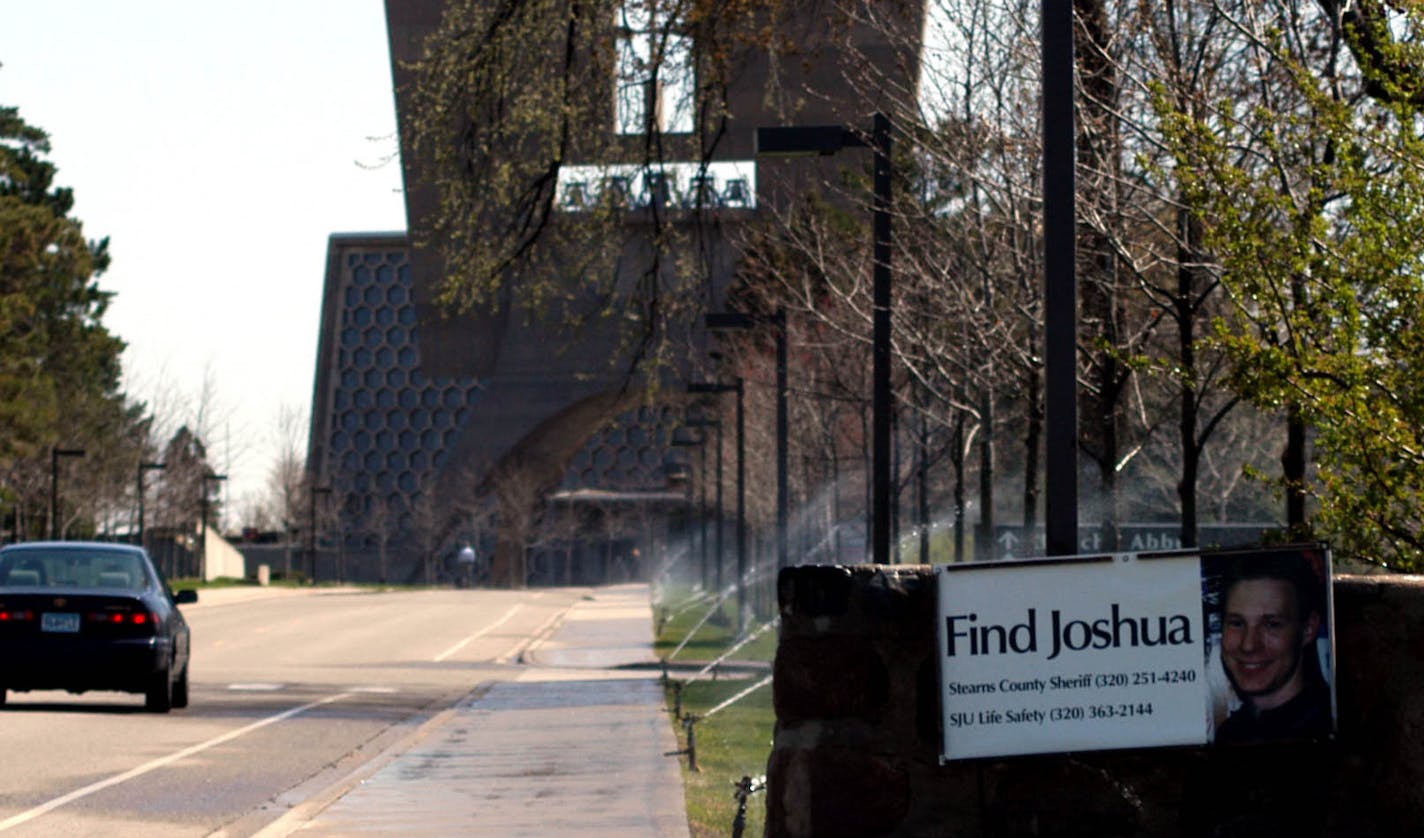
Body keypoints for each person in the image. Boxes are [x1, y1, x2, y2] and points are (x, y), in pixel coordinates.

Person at [1213, 554, 1332, 743]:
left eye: (1272, 625)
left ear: (1308, 629)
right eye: (1237, 623)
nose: (1249, 645)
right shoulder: (1230, 734)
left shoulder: (1326, 731)